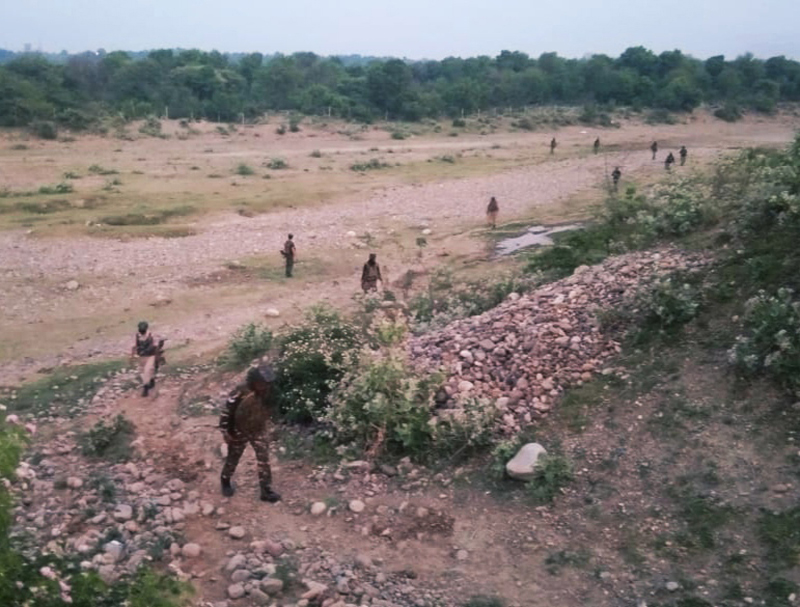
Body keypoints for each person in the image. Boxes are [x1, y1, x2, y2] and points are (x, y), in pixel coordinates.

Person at [219, 364, 281, 503]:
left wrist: (273, 426)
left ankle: (266, 490)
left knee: (263, 459)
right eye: (262, 383)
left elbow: (271, 408)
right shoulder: (240, 392)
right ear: (254, 382)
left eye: (267, 383)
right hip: (238, 429)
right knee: (233, 458)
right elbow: (227, 412)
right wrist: (225, 431)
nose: (265, 386)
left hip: (257, 428)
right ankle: (225, 480)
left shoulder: (268, 391)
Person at [130, 321, 165, 397]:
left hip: (150, 356)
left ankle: (146, 388)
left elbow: (156, 346)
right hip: (141, 357)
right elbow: (134, 346)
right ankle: (150, 381)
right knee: (142, 372)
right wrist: (132, 356)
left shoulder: (151, 335)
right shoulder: (137, 336)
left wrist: (157, 356)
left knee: (147, 370)